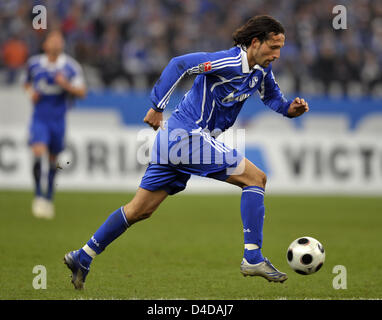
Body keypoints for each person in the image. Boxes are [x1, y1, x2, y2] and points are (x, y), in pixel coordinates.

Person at [64, 15, 309, 289]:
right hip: (188, 137)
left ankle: (83, 256)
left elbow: (273, 98)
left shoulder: (261, 71)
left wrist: (290, 110)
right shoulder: (227, 62)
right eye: (273, 48)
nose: (277, 55)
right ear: (254, 43)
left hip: (176, 141)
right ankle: (252, 256)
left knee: (139, 210)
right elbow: (179, 64)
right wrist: (157, 106)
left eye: (280, 49)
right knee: (256, 178)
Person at [25, 30, 87, 219]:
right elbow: (27, 83)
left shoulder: (70, 67)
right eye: (53, 40)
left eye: (59, 40)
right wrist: (31, 94)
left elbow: (82, 92)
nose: (56, 43)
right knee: (37, 151)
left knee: (53, 160)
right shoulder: (34, 64)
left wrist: (66, 85)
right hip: (40, 118)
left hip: (58, 120)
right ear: (45, 45)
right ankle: (38, 196)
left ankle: (49, 197)